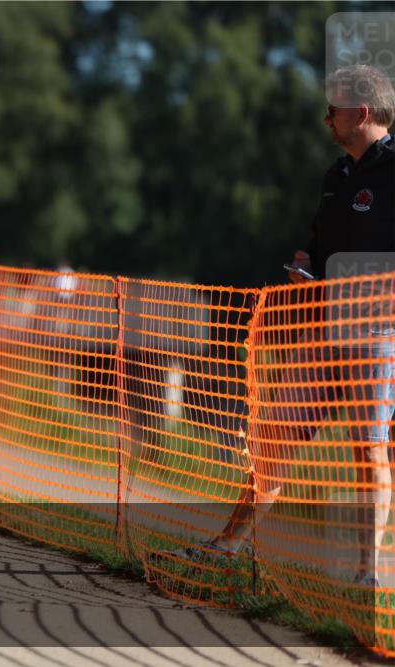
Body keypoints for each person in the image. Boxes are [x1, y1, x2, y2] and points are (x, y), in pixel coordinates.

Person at [160, 65, 394, 587]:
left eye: (333, 110)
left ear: (360, 113)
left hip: (377, 333)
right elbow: (318, 238)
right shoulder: (336, 176)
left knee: (369, 449)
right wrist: (304, 260)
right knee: (273, 438)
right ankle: (228, 546)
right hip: (319, 330)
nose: (325, 119)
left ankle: (368, 576)